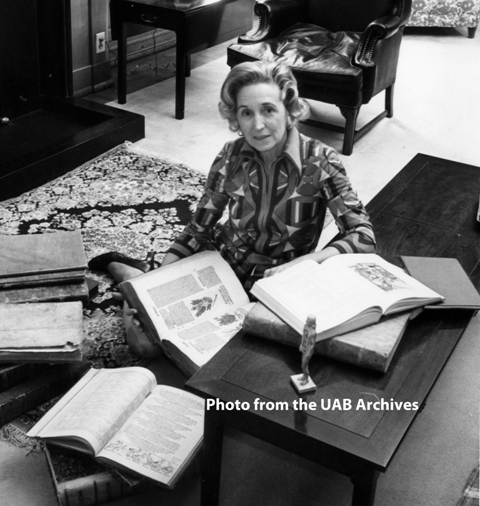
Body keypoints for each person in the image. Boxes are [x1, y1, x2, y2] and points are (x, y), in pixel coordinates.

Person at [89, 60, 376, 357]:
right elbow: (198, 230)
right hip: (220, 269)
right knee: (147, 345)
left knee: (246, 358)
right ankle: (133, 276)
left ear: (288, 109)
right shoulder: (230, 156)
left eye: (268, 109)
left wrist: (308, 262)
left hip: (276, 286)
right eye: (246, 113)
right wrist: (158, 286)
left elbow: (363, 235)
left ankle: (135, 274)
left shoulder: (321, 161)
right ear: (235, 117)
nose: (258, 125)